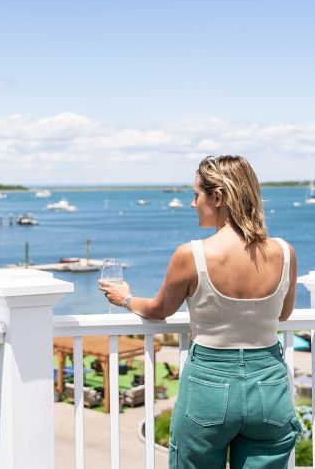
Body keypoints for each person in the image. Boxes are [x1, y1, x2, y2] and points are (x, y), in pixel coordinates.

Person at [99, 155, 302, 468]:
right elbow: (283, 315)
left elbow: (158, 310)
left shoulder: (192, 254)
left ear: (217, 197)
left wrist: (125, 298)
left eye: (196, 195)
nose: (192, 203)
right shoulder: (285, 252)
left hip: (210, 383)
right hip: (269, 384)